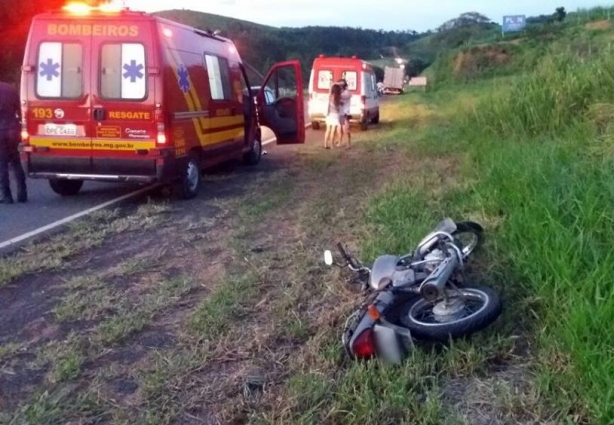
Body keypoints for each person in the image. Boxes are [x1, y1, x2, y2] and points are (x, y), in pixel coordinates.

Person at [0, 81, 27, 204]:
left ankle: (6, 195)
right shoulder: (10, 88)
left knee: (2, 165)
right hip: (13, 129)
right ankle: (22, 193)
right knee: (16, 162)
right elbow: (19, 108)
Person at [324, 83, 342, 149]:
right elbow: (337, 107)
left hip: (329, 114)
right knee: (333, 131)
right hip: (335, 115)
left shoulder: (330, 96)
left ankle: (325, 144)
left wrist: (333, 84)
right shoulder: (338, 97)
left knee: (327, 130)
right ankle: (331, 145)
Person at [337, 79, 352, 148]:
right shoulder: (339, 92)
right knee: (339, 129)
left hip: (345, 113)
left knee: (346, 129)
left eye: (341, 85)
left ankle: (348, 143)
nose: (340, 86)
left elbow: (341, 101)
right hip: (340, 113)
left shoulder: (347, 92)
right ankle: (340, 142)